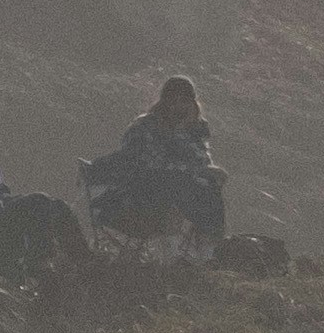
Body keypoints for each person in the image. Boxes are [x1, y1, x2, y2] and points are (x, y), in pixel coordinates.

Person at [81, 78, 225, 256]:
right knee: (177, 183)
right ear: (164, 102)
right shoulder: (145, 127)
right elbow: (147, 166)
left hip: (176, 198)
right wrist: (181, 139)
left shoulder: (194, 131)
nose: (178, 107)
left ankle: (207, 252)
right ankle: (171, 259)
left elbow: (201, 164)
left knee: (209, 188)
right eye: (173, 101)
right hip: (135, 199)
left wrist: (183, 131)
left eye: (184, 102)